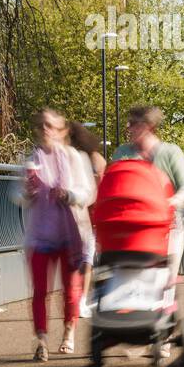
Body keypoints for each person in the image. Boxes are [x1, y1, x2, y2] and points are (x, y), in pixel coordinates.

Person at [111, 105, 184, 356]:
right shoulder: (123, 153)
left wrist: (171, 202)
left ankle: (164, 335)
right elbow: (113, 182)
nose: (128, 128)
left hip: (168, 225)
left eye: (133, 124)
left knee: (165, 279)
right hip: (132, 227)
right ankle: (135, 330)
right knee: (130, 278)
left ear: (148, 126)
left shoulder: (170, 152)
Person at [17, 109, 96, 361]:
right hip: (40, 235)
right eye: (42, 125)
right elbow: (15, 195)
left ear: (62, 132)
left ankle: (68, 333)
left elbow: (88, 192)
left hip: (69, 234)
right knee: (40, 291)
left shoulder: (74, 158)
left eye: (50, 126)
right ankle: (41, 340)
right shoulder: (32, 160)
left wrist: (69, 195)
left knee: (70, 289)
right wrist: (26, 193)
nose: (45, 130)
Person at [68, 121, 105, 317]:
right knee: (86, 259)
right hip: (90, 212)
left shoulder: (68, 156)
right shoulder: (94, 158)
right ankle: (81, 300)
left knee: (80, 259)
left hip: (76, 212)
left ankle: (77, 300)